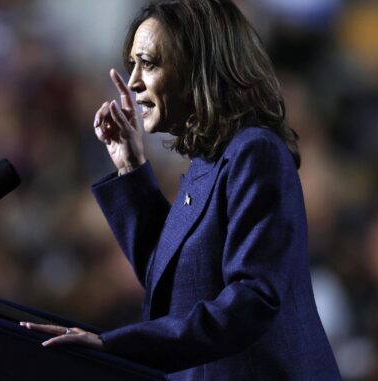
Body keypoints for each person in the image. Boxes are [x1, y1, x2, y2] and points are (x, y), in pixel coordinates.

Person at [21, 0, 341, 379]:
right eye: (133, 65)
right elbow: (172, 285)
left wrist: (120, 346)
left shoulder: (255, 152)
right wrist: (130, 167)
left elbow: (252, 300)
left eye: (150, 63)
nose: (134, 80)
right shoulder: (208, 163)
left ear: (198, 66)